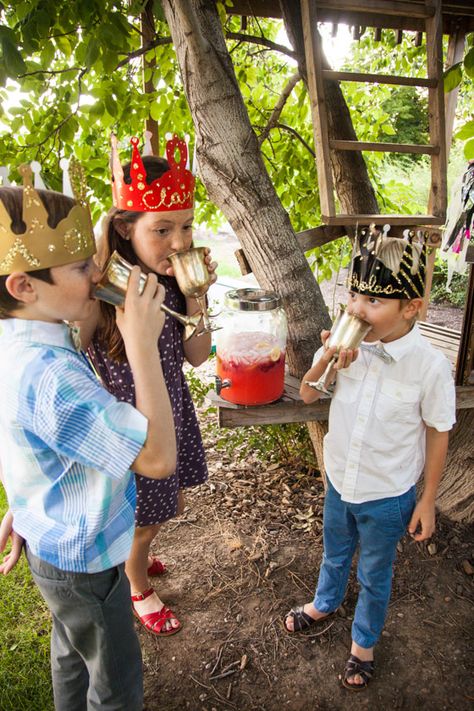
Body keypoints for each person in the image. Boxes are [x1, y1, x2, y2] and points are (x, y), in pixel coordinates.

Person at [0, 167, 177, 711]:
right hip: (86, 559)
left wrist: (25, 505)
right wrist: (141, 342)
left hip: (52, 538)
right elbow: (157, 458)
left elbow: (27, 439)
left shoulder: (24, 340)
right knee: (116, 683)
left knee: (72, 650)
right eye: (80, 266)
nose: (98, 269)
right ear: (24, 285)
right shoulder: (53, 376)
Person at [284, 227, 456, 691]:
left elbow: (439, 431)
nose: (358, 308)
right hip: (340, 482)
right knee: (335, 552)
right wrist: (325, 360)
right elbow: (304, 394)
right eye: (355, 295)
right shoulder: (346, 346)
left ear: (411, 308)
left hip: (388, 495)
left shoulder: (430, 367)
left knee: (375, 571)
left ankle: (364, 643)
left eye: (373, 302)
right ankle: (325, 601)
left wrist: (427, 500)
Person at [78, 134, 216, 636]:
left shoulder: (176, 282)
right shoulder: (100, 294)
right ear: (123, 229)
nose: (179, 242)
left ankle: (139, 554)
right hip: (130, 432)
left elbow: (197, 358)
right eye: (161, 229)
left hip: (171, 411)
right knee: (144, 519)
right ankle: (137, 585)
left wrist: (198, 301)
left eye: (186, 227)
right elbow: (74, 344)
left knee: (168, 505)